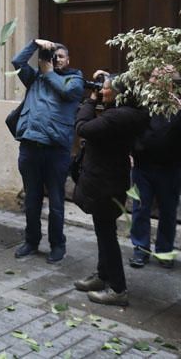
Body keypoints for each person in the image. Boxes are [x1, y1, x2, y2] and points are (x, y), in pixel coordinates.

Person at [73, 72, 149, 306]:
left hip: (104, 183)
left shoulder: (116, 117)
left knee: (107, 236)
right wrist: (105, 80)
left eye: (106, 88)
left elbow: (82, 128)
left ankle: (117, 289)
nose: (103, 90)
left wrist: (90, 100)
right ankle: (102, 275)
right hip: (110, 181)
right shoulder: (131, 113)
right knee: (103, 231)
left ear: (119, 93)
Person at [11, 39, 83, 263]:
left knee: (56, 202)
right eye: (53, 56)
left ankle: (57, 244)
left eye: (60, 56)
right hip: (30, 147)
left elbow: (66, 93)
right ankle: (31, 241)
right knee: (31, 200)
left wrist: (49, 71)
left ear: (68, 60)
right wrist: (34, 44)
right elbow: (17, 61)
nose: (56, 59)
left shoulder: (75, 79)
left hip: (56, 151)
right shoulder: (35, 79)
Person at [128, 67, 181, 269]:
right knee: (140, 209)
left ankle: (164, 251)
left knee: (168, 212)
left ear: (169, 81)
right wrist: (130, 152)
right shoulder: (144, 101)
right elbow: (132, 126)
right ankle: (140, 250)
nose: (152, 80)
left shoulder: (177, 103)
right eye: (151, 75)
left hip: (171, 168)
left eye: (157, 77)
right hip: (143, 166)